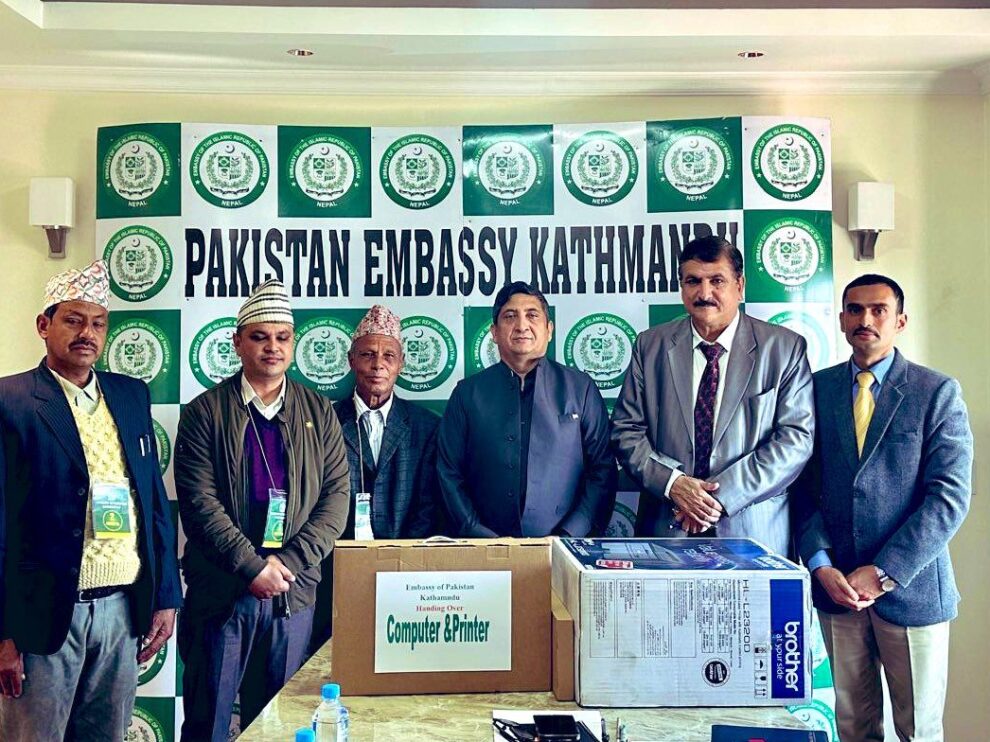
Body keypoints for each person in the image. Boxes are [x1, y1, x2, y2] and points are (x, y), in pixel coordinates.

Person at [0, 260, 181, 741]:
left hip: (122, 609)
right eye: (74, 320)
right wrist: (3, 635)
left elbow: (153, 502)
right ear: (44, 325)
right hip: (42, 615)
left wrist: (165, 596)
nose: (87, 334)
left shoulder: (130, 395)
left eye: (98, 323)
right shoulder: (11, 400)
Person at [795, 274, 972, 742]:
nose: (865, 319)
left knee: (918, 730)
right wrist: (820, 564)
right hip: (837, 590)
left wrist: (884, 572)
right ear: (841, 319)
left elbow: (949, 497)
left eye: (879, 310)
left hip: (912, 591)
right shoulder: (816, 390)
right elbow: (802, 490)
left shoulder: (936, 391)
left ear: (901, 321)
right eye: (855, 309)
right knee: (853, 727)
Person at [174, 279, 350, 742]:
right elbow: (200, 504)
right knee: (208, 725)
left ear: (293, 343)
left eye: (282, 337)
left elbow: (336, 498)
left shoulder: (319, 410)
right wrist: (252, 567)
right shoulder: (204, 412)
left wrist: (286, 564)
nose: (272, 347)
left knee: (276, 727)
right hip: (222, 593)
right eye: (259, 336)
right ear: (237, 343)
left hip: (292, 593)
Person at [611, 235, 814, 557]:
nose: (704, 293)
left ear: (740, 286)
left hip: (753, 535)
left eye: (717, 281)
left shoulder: (784, 348)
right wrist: (674, 484)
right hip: (668, 527)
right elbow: (626, 430)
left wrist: (716, 497)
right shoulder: (650, 346)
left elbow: (795, 440)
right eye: (693, 281)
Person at [438, 281, 615, 537]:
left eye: (532, 315)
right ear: (494, 332)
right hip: (483, 547)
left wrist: (568, 536)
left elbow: (602, 469)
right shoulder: (467, 393)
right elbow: (448, 472)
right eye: (510, 316)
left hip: (564, 547)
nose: (522, 326)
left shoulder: (581, 388)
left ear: (549, 330)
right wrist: (478, 533)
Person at [310, 305, 441, 649]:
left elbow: (429, 506)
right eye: (368, 354)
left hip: (405, 575)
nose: (378, 364)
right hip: (332, 575)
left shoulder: (426, 426)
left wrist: (401, 561)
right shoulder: (324, 421)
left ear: (401, 364)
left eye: (388, 355)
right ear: (351, 360)